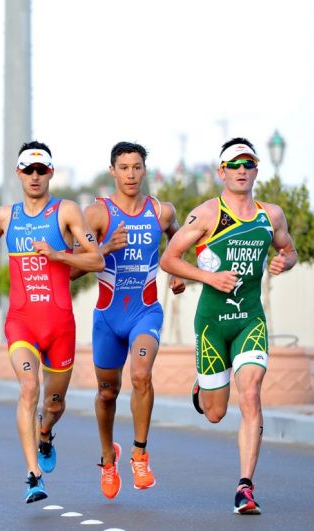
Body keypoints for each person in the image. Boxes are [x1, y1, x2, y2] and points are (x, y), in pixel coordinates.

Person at [160, 138, 297, 515]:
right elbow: (169, 259)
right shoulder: (206, 214)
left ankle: (245, 488)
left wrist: (285, 262)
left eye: (247, 164)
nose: (241, 170)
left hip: (250, 319)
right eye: (233, 164)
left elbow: (290, 250)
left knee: (250, 394)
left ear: (256, 170)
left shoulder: (271, 216)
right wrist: (209, 278)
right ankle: (202, 387)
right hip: (212, 325)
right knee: (216, 412)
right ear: (221, 172)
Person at [0, 141, 104, 503]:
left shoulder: (66, 211)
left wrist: (58, 254)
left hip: (60, 325)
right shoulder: (6, 215)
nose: (35, 176)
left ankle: (45, 432)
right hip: (21, 322)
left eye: (41, 170)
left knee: (53, 405)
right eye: (28, 170)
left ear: (50, 172)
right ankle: (34, 476)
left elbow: (96, 260)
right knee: (28, 389)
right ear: (18, 173)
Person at [70, 142, 185, 499]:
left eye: (137, 167)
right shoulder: (97, 215)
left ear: (144, 170)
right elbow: (73, 270)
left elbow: (178, 236)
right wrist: (103, 249)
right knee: (107, 393)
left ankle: (139, 453)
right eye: (124, 168)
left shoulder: (161, 212)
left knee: (140, 375)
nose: (131, 174)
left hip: (145, 311)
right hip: (108, 318)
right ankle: (108, 456)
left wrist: (176, 270)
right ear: (113, 171)